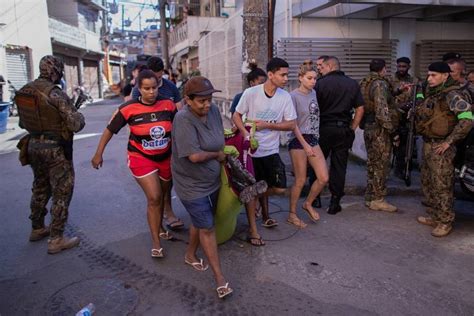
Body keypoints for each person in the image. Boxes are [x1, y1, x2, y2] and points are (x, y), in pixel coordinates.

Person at [91, 70, 176, 257]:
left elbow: (180, 128)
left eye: (154, 88)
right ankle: (156, 242)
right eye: (146, 88)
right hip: (141, 158)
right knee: (154, 197)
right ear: (139, 88)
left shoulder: (168, 105)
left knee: (162, 195)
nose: (151, 92)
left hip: (166, 158)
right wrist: (99, 153)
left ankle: (160, 226)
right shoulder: (128, 108)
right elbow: (109, 130)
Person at [15, 55, 85, 254]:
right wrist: (77, 114)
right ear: (55, 71)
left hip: (33, 145)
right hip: (55, 149)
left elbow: (22, 123)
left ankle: (37, 227)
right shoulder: (55, 94)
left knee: (40, 186)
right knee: (62, 191)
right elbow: (76, 124)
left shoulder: (24, 91)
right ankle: (56, 238)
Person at [172, 76, 233, 299]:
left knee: (202, 220)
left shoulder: (214, 111)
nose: (207, 104)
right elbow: (195, 156)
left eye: (209, 99)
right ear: (188, 100)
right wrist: (218, 155)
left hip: (213, 179)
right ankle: (220, 279)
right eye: (201, 101)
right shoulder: (183, 119)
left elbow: (220, 137)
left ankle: (189, 254)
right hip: (190, 184)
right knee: (207, 226)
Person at [233, 57, 297, 228]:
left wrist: (268, 125)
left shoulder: (285, 97)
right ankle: (264, 219)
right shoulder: (251, 93)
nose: (285, 79)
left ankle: (253, 199)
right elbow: (236, 115)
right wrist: (246, 133)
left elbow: (291, 124)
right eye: (282, 75)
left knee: (278, 187)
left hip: (272, 150)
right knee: (258, 183)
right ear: (270, 74)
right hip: (251, 151)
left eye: (286, 75)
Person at [415, 62, 472, 237]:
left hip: (441, 147)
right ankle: (435, 216)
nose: (429, 78)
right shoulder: (434, 93)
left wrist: (449, 141)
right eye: (429, 75)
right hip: (428, 143)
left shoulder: (452, 94)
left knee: (442, 185)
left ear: (445, 76)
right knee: (429, 182)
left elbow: (467, 119)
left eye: (434, 75)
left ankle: (445, 221)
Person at [132, 56, 184, 230]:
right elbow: (131, 114)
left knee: (167, 185)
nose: (153, 89)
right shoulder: (138, 89)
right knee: (154, 192)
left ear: (163, 73)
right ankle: (158, 219)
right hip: (145, 148)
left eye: (158, 81)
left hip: (167, 144)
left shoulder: (170, 88)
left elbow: (179, 112)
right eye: (149, 86)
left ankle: (168, 211)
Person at [315, 56, 364, 214]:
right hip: (343, 129)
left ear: (330, 66)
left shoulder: (320, 84)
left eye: (322, 67)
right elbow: (360, 109)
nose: (320, 70)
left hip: (322, 129)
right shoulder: (352, 83)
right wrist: (352, 127)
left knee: (316, 163)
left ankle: (315, 198)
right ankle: (335, 201)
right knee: (339, 166)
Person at [287, 61, 328, 228]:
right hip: (298, 140)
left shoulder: (314, 93)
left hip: (312, 138)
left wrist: (312, 142)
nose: (313, 81)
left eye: (315, 78)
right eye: (309, 78)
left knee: (323, 177)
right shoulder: (293, 96)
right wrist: (304, 145)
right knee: (300, 180)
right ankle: (292, 214)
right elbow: (293, 124)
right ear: (300, 78)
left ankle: (308, 203)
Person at [360, 59, 400, 212]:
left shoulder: (365, 82)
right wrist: (393, 131)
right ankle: (378, 199)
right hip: (379, 129)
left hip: (369, 127)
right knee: (381, 166)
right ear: (383, 69)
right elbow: (382, 110)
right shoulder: (379, 83)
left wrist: (397, 92)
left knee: (372, 163)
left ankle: (370, 197)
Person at [390, 57, 418, 179]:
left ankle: (401, 168)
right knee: (391, 143)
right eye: (399, 66)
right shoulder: (390, 80)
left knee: (406, 144)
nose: (401, 68)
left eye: (404, 66)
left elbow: (420, 96)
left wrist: (412, 105)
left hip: (407, 117)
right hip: (392, 116)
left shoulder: (414, 80)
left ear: (409, 67)